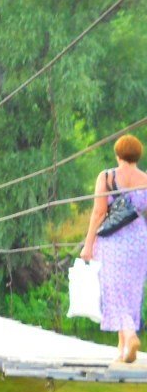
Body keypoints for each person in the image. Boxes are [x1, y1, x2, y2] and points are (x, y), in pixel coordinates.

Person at [80, 134, 147, 364]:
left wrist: (88, 244)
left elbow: (99, 212)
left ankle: (129, 335)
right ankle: (122, 349)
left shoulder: (107, 177)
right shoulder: (145, 179)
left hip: (112, 241)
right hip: (139, 240)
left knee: (112, 288)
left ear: (118, 154)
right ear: (138, 155)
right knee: (130, 290)